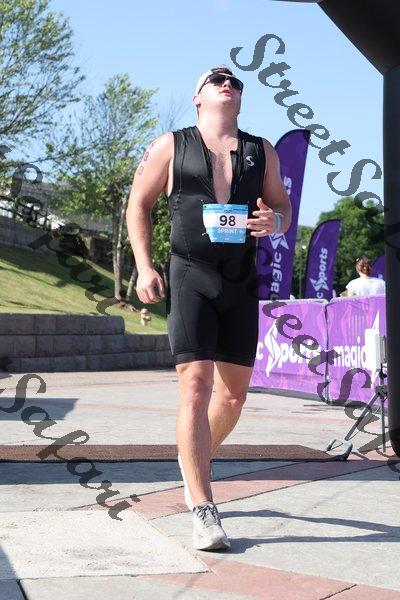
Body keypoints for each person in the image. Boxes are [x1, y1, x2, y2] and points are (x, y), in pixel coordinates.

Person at [126, 65, 291, 551]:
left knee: (233, 396)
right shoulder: (170, 145)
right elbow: (138, 204)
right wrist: (144, 266)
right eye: (217, 79)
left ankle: (192, 458)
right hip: (190, 274)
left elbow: (283, 209)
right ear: (198, 97)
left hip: (240, 280)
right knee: (196, 387)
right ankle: (203, 507)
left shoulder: (262, 150)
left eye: (235, 81)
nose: (228, 83)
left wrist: (275, 223)